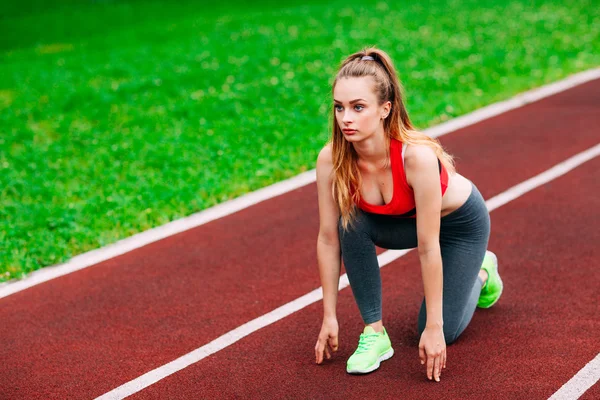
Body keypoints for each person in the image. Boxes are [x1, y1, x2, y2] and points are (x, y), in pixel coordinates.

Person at [313, 47, 504, 382]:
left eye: (359, 107)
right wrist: (329, 315)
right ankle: (374, 333)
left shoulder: (416, 158)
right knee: (349, 222)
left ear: (385, 108)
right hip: (404, 222)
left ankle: (482, 271)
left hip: (458, 226)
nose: (346, 118)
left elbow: (429, 247)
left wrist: (434, 327)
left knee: (439, 331)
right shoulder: (331, 160)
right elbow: (328, 239)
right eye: (339, 107)